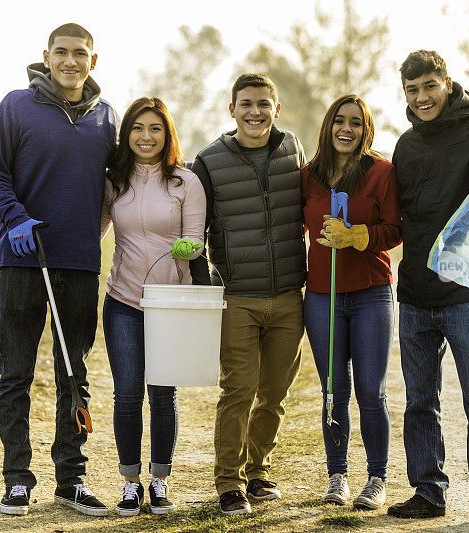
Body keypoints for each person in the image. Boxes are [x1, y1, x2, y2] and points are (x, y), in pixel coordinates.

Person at [0, 23, 116, 517]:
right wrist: (15, 218)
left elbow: (115, 186)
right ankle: (17, 478)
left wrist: (93, 232)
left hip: (78, 265)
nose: (70, 61)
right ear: (46, 56)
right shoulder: (16, 106)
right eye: (62, 53)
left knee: (73, 374)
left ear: (93, 61)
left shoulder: (107, 118)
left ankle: (71, 478)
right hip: (22, 260)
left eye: (80, 54)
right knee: (15, 374)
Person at [385, 50, 469, 530]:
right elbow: (398, 216)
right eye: (412, 91)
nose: (421, 98)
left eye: (429, 87)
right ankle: (428, 491)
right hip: (415, 294)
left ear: (448, 83)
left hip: (467, 295)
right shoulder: (405, 145)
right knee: (420, 400)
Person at [189, 73, 307, 515]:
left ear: (276, 110)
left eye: (263, 104)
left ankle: (258, 473)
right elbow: (193, 231)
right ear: (231, 109)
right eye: (246, 104)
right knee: (238, 390)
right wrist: (207, 288)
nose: (254, 112)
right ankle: (228, 483)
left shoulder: (292, 149)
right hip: (236, 296)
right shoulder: (209, 161)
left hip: (289, 296)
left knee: (274, 392)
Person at [100, 97, 205, 516]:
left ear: (167, 135)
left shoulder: (185, 182)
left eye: (155, 129)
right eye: (138, 128)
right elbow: (96, 230)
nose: (146, 137)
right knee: (127, 394)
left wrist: (186, 246)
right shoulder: (114, 182)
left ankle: (160, 479)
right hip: (122, 300)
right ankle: (129, 482)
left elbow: (196, 239)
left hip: (170, 303)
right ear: (127, 134)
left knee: (162, 393)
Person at [301, 95, 402, 510]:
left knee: (370, 392)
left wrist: (360, 236)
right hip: (322, 295)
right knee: (332, 390)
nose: (347, 129)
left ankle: (376, 478)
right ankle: (337, 476)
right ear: (328, 127)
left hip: (370, 294)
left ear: (366, 129)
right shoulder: (308, 177)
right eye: (339, 121)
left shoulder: (382, 173)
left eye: (356, 123)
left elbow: (395, 229)